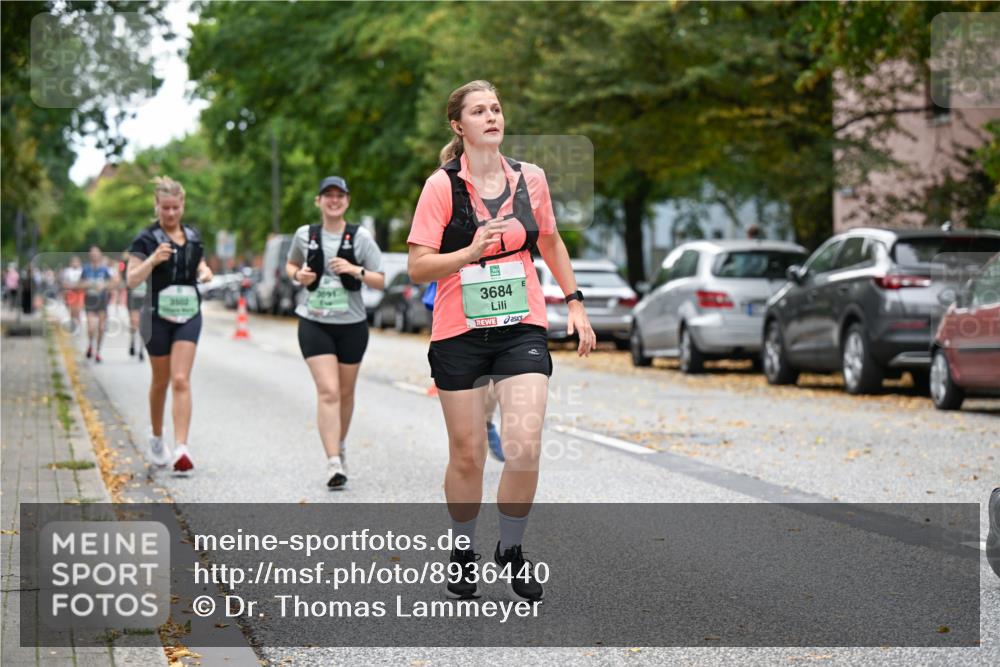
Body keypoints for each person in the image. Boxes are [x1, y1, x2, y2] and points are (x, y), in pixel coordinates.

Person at [407, 80, 596, 602]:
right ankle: (463, 550)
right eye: (478, 111)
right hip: (459, 330)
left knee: (524, 444)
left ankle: (510, 549)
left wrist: (574, 301)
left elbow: (551, 241)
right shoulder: (441, 187)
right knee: (467, 455)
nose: (491, 117)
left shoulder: (529, 179)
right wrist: (469, 251)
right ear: (457, 125)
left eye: (496, 108)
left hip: (521, 326)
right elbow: (418, 265)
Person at [285, 176, 385, 489]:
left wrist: (355, 270)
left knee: (345, 392)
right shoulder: (305, 235)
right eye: (327, 195)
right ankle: (332, 462)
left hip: (352, 325)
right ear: (318, 201)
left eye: (339, 195)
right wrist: (298, 275)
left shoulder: (361, 237)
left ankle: (339, 445)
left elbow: (380, 279)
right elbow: (291, 266)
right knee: (328, 390)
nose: (333, 200)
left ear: (347, 201)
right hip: (314, 322)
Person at [126, 176, 212, 473]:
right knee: (160, 380)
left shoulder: (193, 236)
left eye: (176, 207)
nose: (171, 213)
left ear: (182, 205)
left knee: (180, 379)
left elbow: (197, 262)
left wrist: (205, 271)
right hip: (156, 316)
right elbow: (131, 279)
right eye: (166, 208)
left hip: (188, 313)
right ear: (157, 207)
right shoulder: (145, 239)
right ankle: (156, 436)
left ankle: (181, 448)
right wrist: (152, 260)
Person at [424, 280, 505, 462]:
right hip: (453, 297)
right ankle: (467, 451)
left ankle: (487, 422)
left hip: (496, 295)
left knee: (493, 373)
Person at [81, 246, 116, 362]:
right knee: (91, 327)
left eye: (97, 253)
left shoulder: (105, 269)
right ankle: (91, 344)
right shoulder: (86, 269)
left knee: (101, 328)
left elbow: (113, 282)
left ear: (100, 255)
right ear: (90, 256)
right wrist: (86, 284)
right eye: (93, 253)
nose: (95, 255)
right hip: (90, 300)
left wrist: (105, 285)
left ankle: (98, 351)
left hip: (102, 301)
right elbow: (79, 283)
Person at [125, 248, 147, 361]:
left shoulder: (149, 267)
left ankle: (141, 350)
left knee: (143, 325)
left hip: (145, 298)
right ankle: (133, 340)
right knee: (134, 323)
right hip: (133, 298)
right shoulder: (131, 268)